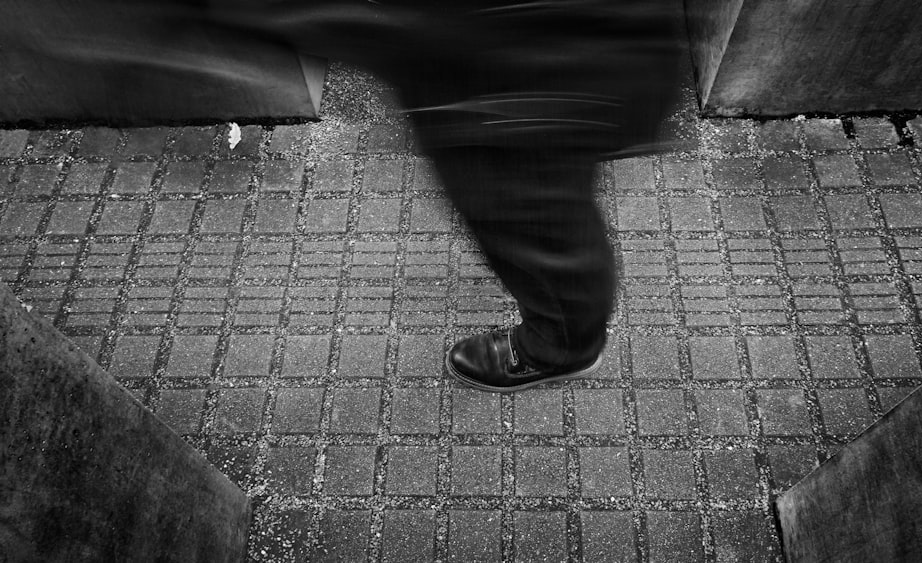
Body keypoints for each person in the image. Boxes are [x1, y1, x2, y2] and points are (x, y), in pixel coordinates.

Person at [217, 0, 686, 391]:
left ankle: (564, 344)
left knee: (528, 206)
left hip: (517, 69)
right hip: (506, 52)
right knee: (522, 191)